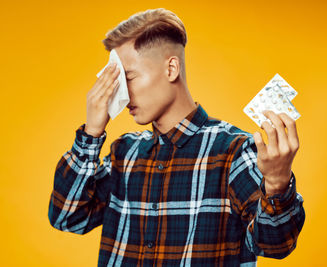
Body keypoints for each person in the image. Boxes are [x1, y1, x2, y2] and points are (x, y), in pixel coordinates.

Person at [48, 7, 305, 267]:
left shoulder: (234, 151)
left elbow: (275, 245)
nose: (121, 94)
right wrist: (91, 134)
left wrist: (277, 185)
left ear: (171, 69)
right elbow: (66, 217)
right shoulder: (123, 153)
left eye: (128, 77)